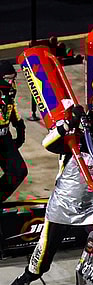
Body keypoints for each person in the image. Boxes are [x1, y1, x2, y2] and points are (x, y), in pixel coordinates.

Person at [10, 105, 93, 285]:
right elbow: (47, 144)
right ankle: (29, 275)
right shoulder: (74, 139)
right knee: (45, 249)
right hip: (62, 205)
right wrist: (67, 124)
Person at [0, 63, 27, 202]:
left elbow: (11, 107)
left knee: (19, 171)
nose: (11, 82)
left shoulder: (11, 89)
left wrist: (19, 127)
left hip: (4, 136)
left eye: (13, 79)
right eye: (8, 79)